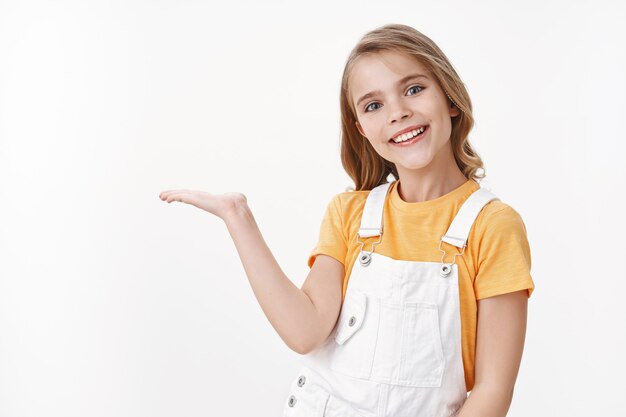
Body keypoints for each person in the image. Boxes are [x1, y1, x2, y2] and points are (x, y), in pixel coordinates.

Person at [159, 23, 535, 417]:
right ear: (362, 130)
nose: (398, 112)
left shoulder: (492, 225)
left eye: (413, 89)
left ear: (450, 97)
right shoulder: (349, 214)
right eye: (374, 105)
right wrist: (238, 218)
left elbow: (493, 390)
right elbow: (305, 332)